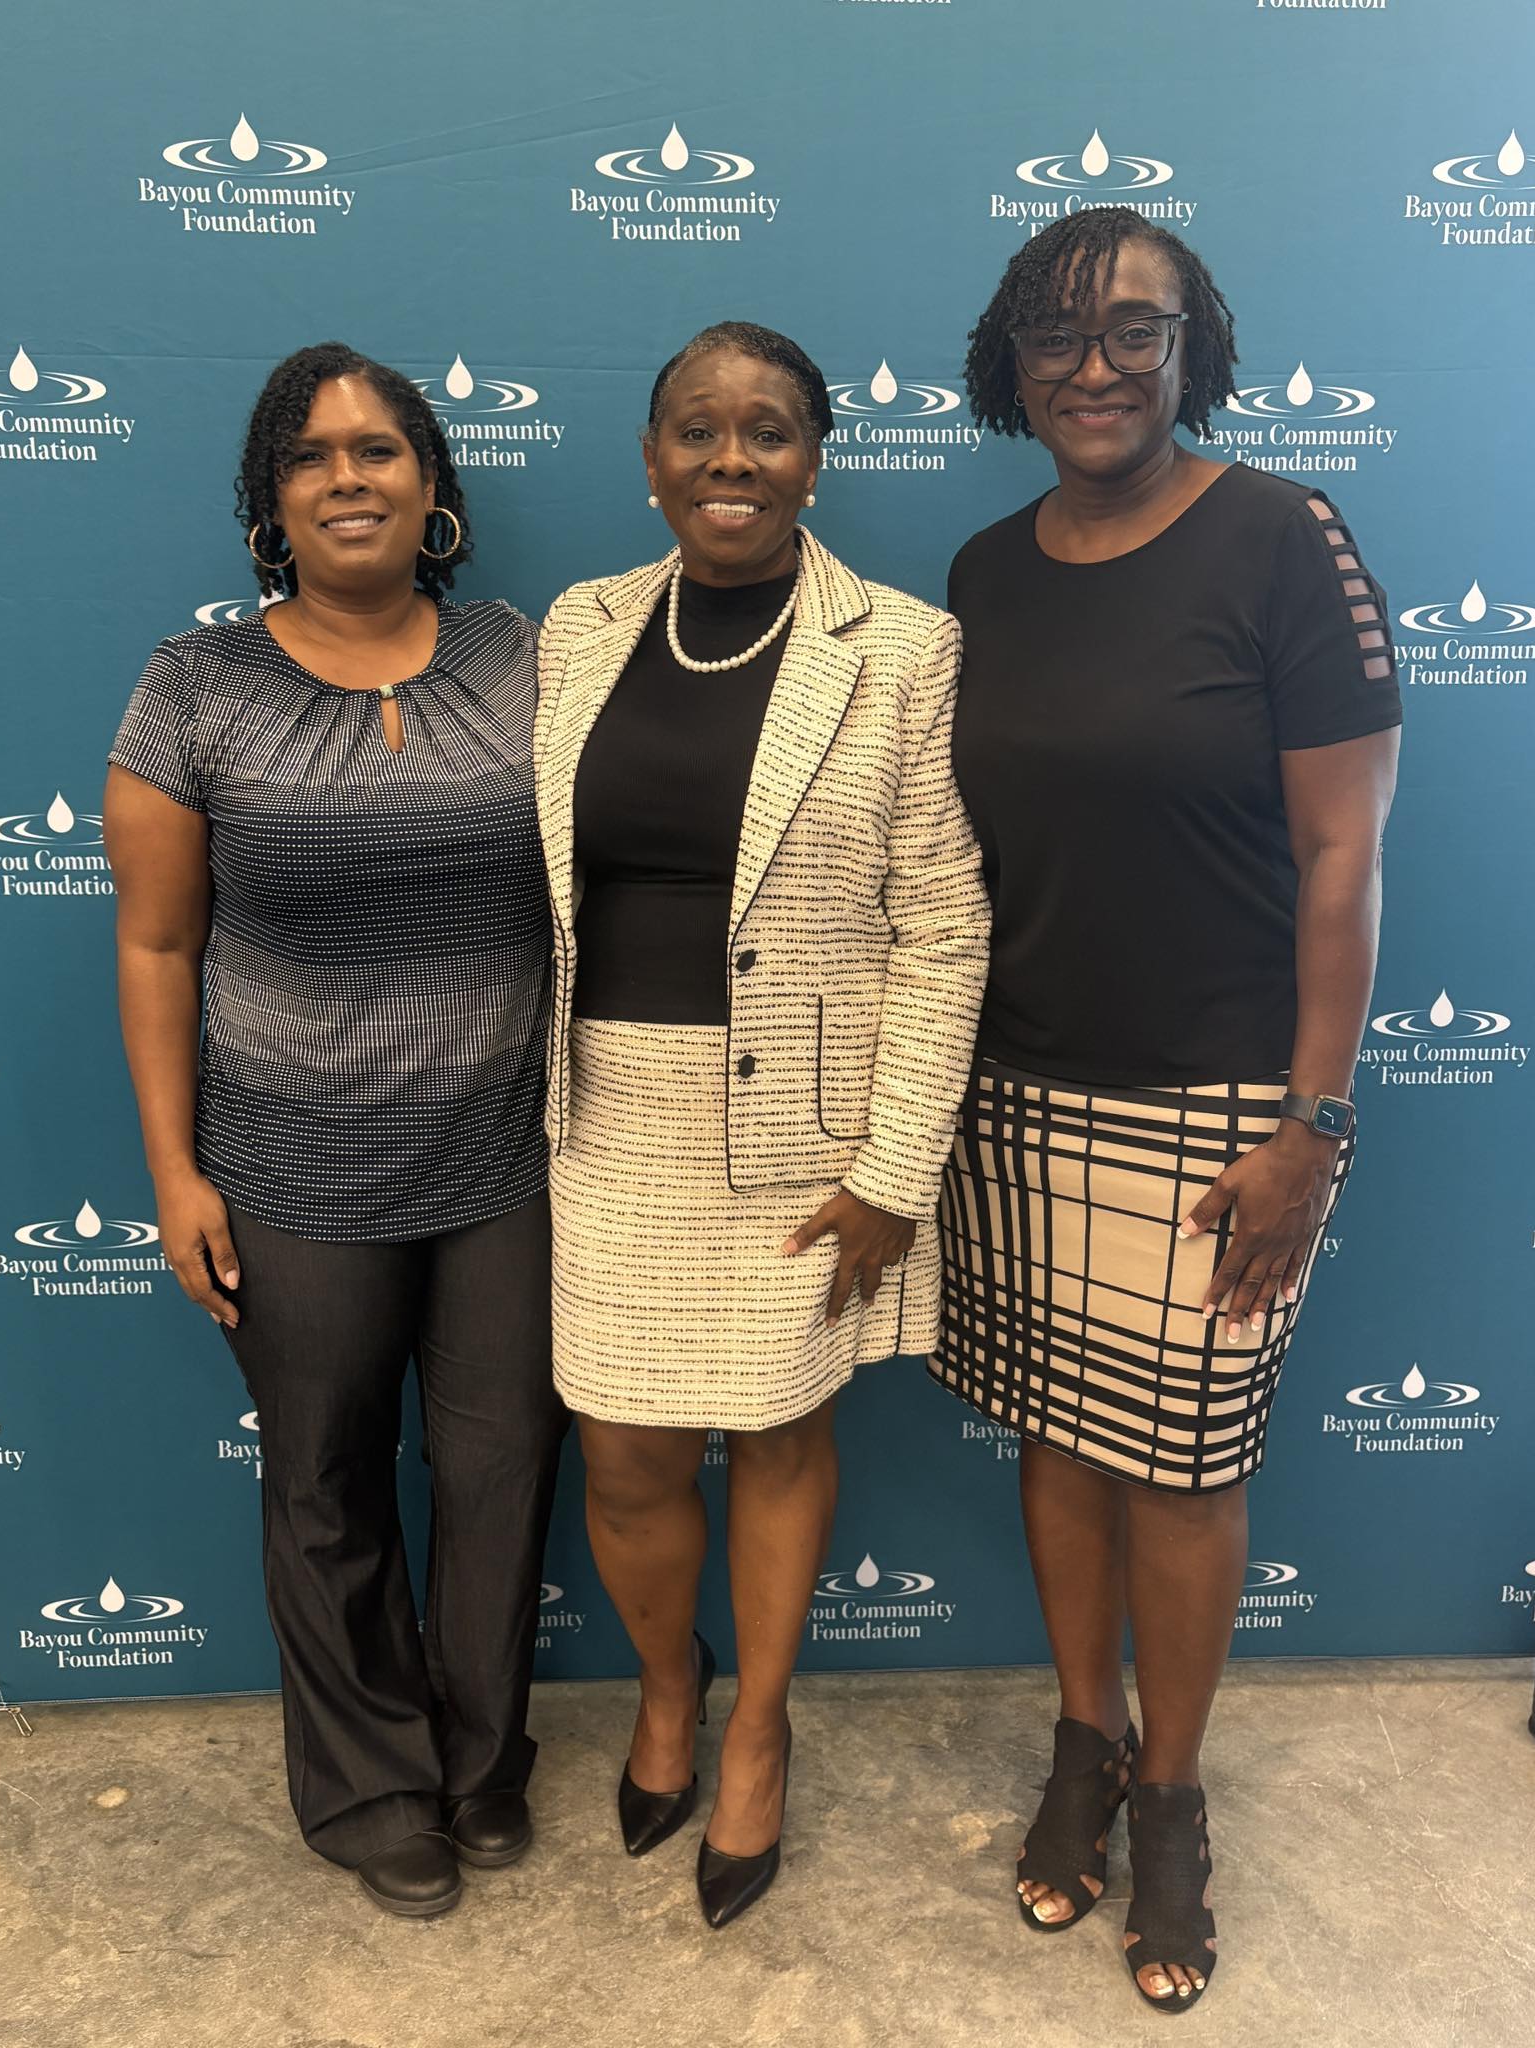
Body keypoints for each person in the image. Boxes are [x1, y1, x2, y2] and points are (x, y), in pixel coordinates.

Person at [935, 212, 1401, 2009]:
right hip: (1021, 1085)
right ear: (1010, 364)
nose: (1097, 365)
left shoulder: (1283, 536)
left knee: (1187, 1471)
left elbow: (1344, 855)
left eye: (1136, 329)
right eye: (1058, 334)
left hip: (1225, 1106)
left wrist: (1313, 1124)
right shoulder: (986, 573)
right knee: (1060, 1442)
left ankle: (1177, 1800)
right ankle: (1086, 1744)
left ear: (1194, 346)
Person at [103, 342, 566, 1918]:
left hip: (508, 1163)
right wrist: (175, 1172)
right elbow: (156, 944)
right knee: (323, 1479)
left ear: (434, 486)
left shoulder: (524, 657)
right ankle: (370, 1780)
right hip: (289, 1172)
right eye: (309, 456)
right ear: (270, 501)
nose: (347, 477)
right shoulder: (195, 687)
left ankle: (482, 1759)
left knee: (501, 1470)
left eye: (379, 449)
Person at [535, 322, 989, 1928]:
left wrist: (896, 1168)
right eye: (698, 428)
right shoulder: (581, 627)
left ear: (815, 457)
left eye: (770, 429)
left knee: (783, 1433)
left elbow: (944, 924)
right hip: (610, 1115)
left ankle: (759, 1733)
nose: (732, 458)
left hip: (808, 1132)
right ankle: (671, 1688)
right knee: (625, 1452)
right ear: (651, 454)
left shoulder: (904, 647)